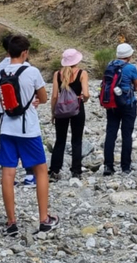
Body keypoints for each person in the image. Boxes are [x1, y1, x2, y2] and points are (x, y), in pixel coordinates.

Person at [0, 35, 59, 236]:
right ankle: (44, 219)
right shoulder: (32, 71)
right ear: (25, 52)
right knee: (41, 171)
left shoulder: (1, 72)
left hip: (7, 128)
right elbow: (43, 97)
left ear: (9, 52)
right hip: (28, 129)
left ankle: (11, 222)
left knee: (8, 173)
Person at [0, 35, 36, 187]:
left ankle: (7, 177)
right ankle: (30, 174)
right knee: (27, 144)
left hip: (5, 111)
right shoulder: (29, 68)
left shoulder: (1, 67)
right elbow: (39, 94)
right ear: (24, 52)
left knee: (8, 147)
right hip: (25, 114)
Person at [48, 48, 90, 180]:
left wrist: (53, 112)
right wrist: (84, 99)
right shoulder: (82, 73)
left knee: (60, 140)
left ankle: (54, 170)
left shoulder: (57, 74)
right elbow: (86, 94)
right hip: (77, 108)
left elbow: (54, 96)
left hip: (61, 109)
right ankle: (76, 171)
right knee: (76, 140)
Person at [102, 43, 137, 176]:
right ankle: (125, 166)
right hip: (127, 104)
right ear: (129, 55)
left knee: (111, 133)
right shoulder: (131, 68)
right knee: (126, 135)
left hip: (111, 104)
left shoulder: (110, 65)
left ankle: (108, 166)